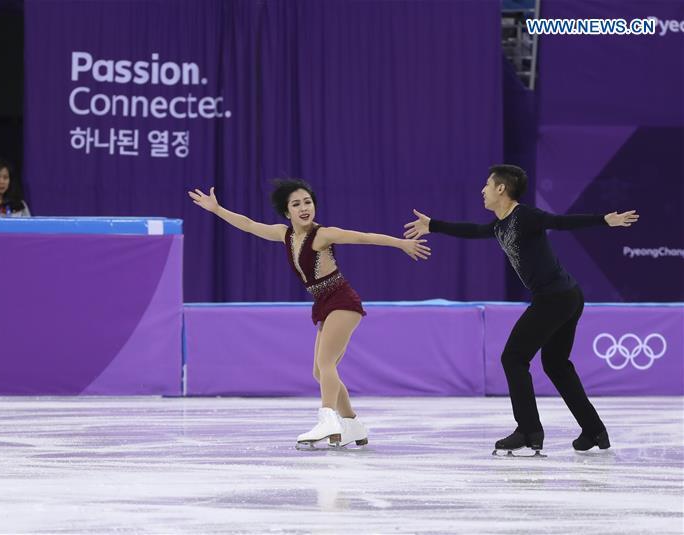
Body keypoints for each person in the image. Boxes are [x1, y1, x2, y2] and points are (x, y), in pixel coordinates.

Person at [403, 164, 638, 455]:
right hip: (566, 295)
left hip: (555, 297)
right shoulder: (499, 225)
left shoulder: (525, 216)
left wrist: (604, 220)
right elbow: (473, 230)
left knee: (513, 358)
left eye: (487, 185)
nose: (483, 190)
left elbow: (560, 222)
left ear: (501, 189)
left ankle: (528, 430)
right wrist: (433, 225)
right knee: (555, 364)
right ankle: (593, 429)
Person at [189, 179, 431, 448]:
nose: (304, 208)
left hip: (342, 300)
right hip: (323, 303)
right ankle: (351, 424)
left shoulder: (323, 234)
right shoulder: (285, 234)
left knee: (326, 364)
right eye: (296, 204)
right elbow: (248, 224)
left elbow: (363, 237)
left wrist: (401, 244)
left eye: (307, 202)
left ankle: (328, 418)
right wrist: (217, 209)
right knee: (320, 371)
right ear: (286, 212)